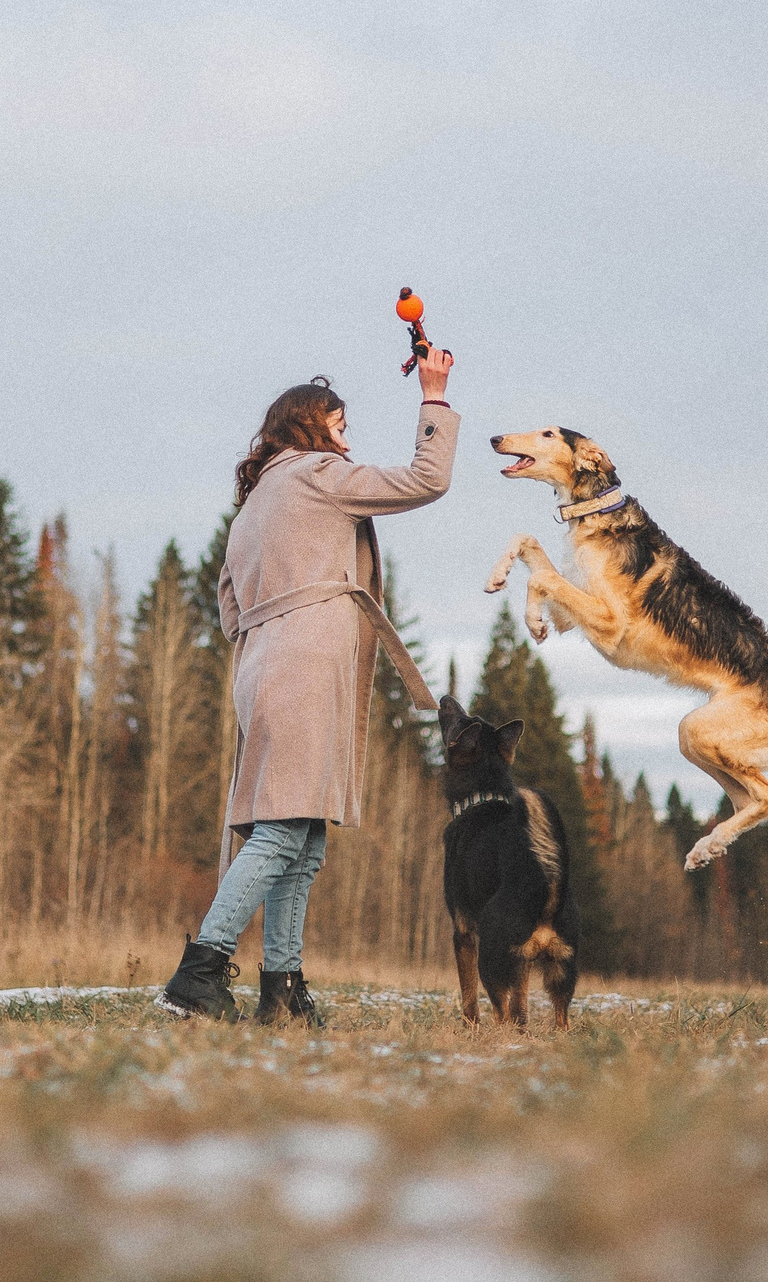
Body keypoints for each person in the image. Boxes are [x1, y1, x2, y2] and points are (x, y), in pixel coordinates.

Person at [157, 344, 459, 1024]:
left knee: (303, 832)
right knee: (282, 828)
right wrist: (433, 394)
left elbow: (228, 602)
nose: (347, 439)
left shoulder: (251, 504)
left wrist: (269, 637)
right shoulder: (319, 474)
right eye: (340, 425)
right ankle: (199, 970)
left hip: (262, 662)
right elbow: (425, 479)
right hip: (303, 662)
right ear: (310, 427)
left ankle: (283, 989)